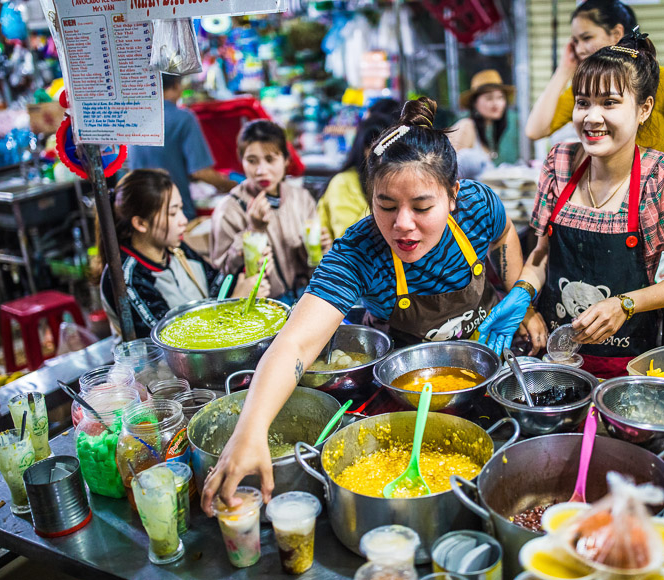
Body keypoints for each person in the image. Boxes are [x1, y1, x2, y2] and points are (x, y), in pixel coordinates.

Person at [201, 98, 526, 507]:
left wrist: (521, 299)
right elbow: (296, 344)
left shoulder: (479, 205)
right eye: (385, 206)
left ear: (454, 194)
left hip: (492, 364)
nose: (402, 224)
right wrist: (249, 429)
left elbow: (504, 234)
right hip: (410, 395)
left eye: (422, 207)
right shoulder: (359, 250)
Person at [480, 33, 664, 378]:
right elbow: (543, 254)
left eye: (609, 103)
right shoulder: (560, 161)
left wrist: (625, 304)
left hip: (629, 366)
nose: (591, 117)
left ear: (644, 108)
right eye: (583, 102)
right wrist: (522, 292)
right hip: (555, 359)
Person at [524, 0, 664, 161]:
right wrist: (565, 68)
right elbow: (535, 131)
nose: (579, 49)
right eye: (575, 42)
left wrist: (651, 163)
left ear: (616, 34)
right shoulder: (587, 86)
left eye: (586, 38)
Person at [99, 169, 259, 338]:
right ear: (140, 223)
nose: (183, 221)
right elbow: (169, 342)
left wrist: (244, 270)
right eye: (172, 213)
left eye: (181, 209)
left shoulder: (178, 250)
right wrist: (237, 303)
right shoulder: (125, 277)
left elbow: (218, 290)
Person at [209, 120, 331, 304]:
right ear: (241, 161)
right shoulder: (229, 209)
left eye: (270, 159)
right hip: (259, 306)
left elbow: (313, 264)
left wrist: (320, 248)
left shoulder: (301, 198)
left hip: (303, 296)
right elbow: (223, 274)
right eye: (252, 161)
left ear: (286, 160)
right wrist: (254, 230)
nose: (261, 170)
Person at [127, 75, 238, 221]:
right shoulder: (183, 118)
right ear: (176, 86)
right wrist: (234, 186)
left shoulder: (133, 117)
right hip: (175, 215)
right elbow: (201, 172)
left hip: (141, 214)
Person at [317, 115, 390, 240]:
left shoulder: (398, 180)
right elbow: (349, 241)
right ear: (364, 150)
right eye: (378, 150)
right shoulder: (343, 183)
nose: (384, 158)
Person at [448, 69, 521, 178]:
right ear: (475, 103)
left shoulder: (489, 131)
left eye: (500, 98)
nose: (496, 103)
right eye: (489, 98)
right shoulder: (466, 126)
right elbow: (449, 174)